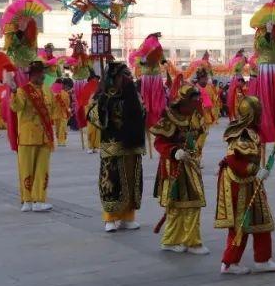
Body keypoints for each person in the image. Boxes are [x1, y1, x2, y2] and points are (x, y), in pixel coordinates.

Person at [214, 95, 275, 274]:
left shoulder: (250, 131)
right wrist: (255, 170)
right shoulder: (241, 134)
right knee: (240, 224)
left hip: (250, 182)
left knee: (261, 220)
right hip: (239, 185)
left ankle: (263, 259)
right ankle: (229, 262)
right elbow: (233, 160)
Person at [88, 62, 146, 233]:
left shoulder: (132, 94)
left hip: (131, 146)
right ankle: (110, 217)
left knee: (131, 181)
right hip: (112, 145)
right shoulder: (103, 95)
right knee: (112, 181)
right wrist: (103, 107)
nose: (124, 79)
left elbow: (142, 112)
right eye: (121, 76)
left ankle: (128, 216)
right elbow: (92, 115)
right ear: (113, 78)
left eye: (126, 75)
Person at [152, 85, 208, 254]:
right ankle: (174, 241)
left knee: (193, 203)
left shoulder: (196, 116)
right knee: (176, 205)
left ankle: (189, 240)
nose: (196, 102)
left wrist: (195, 152)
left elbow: (199, 136)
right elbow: (159, 143)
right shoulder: (170, 117)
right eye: (193, 99)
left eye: (197, 99)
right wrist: (174, 151)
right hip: (174, 167)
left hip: (190, 165)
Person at [9, 61, 56, 211]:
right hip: (28, 137)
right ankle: (27, 200)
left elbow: (53, 110)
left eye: (43, 72)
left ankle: (39, 200)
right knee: (26, 170)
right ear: (33, 75)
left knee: (42, 170)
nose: (43, 76)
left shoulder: (48, 91)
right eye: (40, 73)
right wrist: (13, 92)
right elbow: (16, 107)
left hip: (44, 137)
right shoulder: (22, 91)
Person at [52, 79, 71, 147]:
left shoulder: (53, 93)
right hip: (63, 113)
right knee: (62, 128)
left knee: (59, 128)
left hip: (56, 114)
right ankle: (61, 141)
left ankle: (60, 141)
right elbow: (68, 104)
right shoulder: (65, 94)